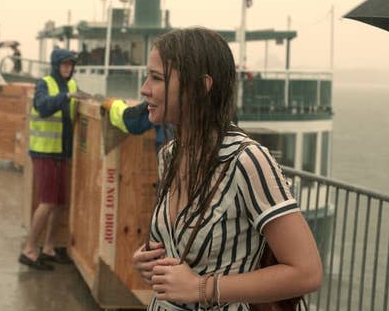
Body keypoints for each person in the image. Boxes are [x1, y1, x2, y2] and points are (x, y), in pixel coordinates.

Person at [132, 28, 322, 310]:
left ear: (200, 87)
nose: (144, 88)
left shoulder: (247, 161)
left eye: (157, 78)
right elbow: (183, 248)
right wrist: (149, 259)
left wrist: (201, 288)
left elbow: (307, 272)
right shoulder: (170, 155)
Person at [19, 48, 88, 270]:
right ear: (56, 66)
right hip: (45, 151)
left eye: (71, 65)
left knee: (58, 203)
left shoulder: (73, 85)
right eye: (64, 65)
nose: (68, 69)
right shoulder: (44, 83)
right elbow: (42, 106)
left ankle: (48, 247)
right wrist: (66, 96)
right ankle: (29, 250)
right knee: (47, 202)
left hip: (63, 151)